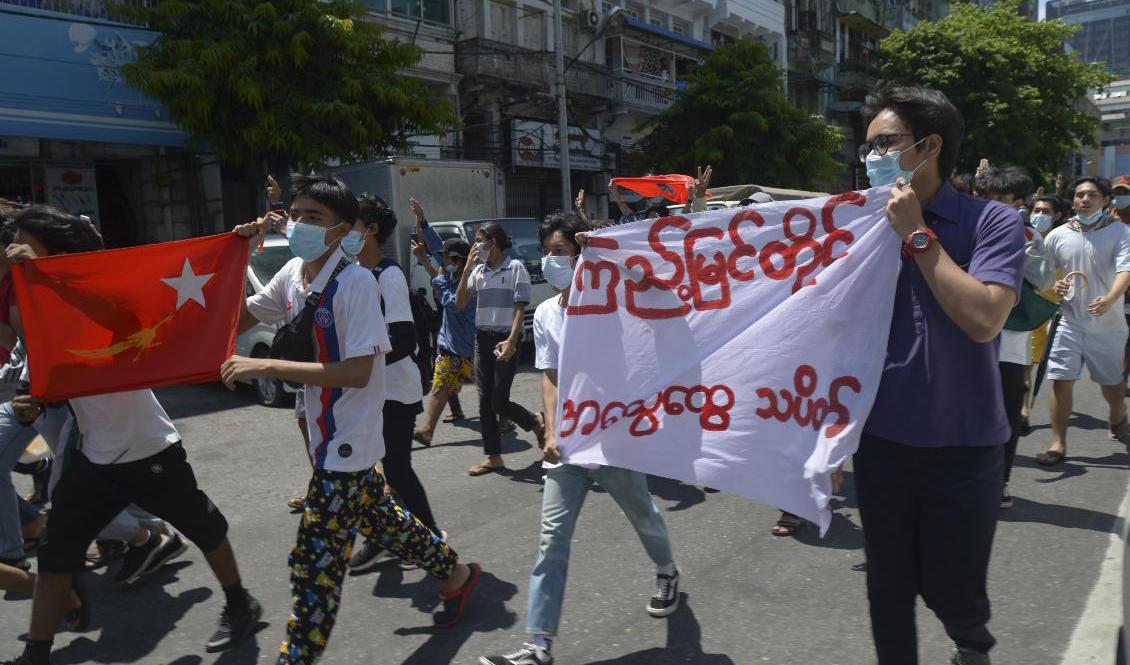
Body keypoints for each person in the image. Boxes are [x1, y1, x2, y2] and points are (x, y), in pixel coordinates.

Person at [224, 175, 481, 663]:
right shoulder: (292, 275)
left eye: (313, 217)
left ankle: (295, 656)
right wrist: (238, 256)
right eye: (295, 214)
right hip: (325, 437)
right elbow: (236, 320)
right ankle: (456, 575)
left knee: (313, 566)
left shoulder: (356, 281)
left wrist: (266, 366)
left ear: (341, 231)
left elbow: (360, 371)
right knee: (385, 520)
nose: (299, 223)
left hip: (351, 438)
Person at [2, 207, 259, 665]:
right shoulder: (39, 307)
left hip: (148, 447)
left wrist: (48, 277)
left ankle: (240, 603)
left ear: (54, 254)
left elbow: (121, 320)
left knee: (203, 525)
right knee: (57, 552)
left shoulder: (97, 297)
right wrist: (30, 403)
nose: (13, 249)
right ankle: (36, 655)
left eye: (24, 242)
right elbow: (44, 373)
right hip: (94, 456)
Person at [855, 86, 1025, 665]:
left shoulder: (994, 222)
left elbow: (983, 319)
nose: (871, 155)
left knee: (953, 587)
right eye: (869, 144)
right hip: (881, 443)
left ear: (929, 148)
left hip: (966, 444)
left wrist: (916, 234)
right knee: (888, 587)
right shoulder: (857, 226)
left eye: (885, 143)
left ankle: (970, 640)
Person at [478, 211, 680, 665]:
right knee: (552, 540)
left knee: (642, 512)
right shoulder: (547, 312)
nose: (552, 261)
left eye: (562, 252)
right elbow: (549, 374)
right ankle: (539, 646)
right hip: (568, 440)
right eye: (546, 253)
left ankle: (667, 570)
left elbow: (661, 282)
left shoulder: (616, 301)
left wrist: (612, 250)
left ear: (583, 255)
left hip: (613, 435)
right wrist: (550, 427)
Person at [343, 193, 443, 573]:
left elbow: (402, 340)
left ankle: (430, 538)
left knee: (397, 468)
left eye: (350, 225)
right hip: (367, 390)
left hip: (394, 390)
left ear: (370, 230)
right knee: (373, 470)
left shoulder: (389, 275)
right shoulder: (353, 274)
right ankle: (388, 534)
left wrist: (356, 367)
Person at [972, 167, 1054, 508]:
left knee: (1004, 413)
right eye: (985, 197)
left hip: (1010, 342)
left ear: (1018, 203)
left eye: (1001, 199)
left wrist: (1017, 250)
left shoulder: (1030, 237)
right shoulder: (967, 228)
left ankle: (1000, 481)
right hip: (969, 335)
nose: (992, 205)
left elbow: (1045, 280)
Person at [1037, 176, 1130, 466]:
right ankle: (1057, 442)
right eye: (1079, 195)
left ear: (1106, 200)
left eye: (1091, 195)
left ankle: (1118, 413)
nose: (1084, 200)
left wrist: (1110, 299)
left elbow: (1125, 271)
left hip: (1108, 324)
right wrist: (1056, 288)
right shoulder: (1057, 234)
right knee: (1061, 379)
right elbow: (1043, 275)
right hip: (1068, 320)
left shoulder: (1121, 232)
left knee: (1111, 383)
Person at [455, 222, 545, 476]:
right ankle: (493, 457)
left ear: (493, 242)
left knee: (498, 400)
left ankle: (533, 420)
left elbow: (520, 307)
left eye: (479, 241)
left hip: (506, 338)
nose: (476, 246)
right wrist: (466, 271)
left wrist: (513, 340)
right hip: (482, 338)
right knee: (485, 401)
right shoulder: (478, 272)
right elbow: (460, 302)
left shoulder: (515, 268)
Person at [410, 199, 476, 447]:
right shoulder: (451, 272)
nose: (443, 260)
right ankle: (427, 430)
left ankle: (518, 420)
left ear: (458, 260)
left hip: (472, 347)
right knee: (441, 385)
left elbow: (452, 303)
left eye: (447, 258)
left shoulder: (470, 280)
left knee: (491, 394)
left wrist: (434, 275)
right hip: (450, 345)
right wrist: (421, 219)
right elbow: (434, 245)